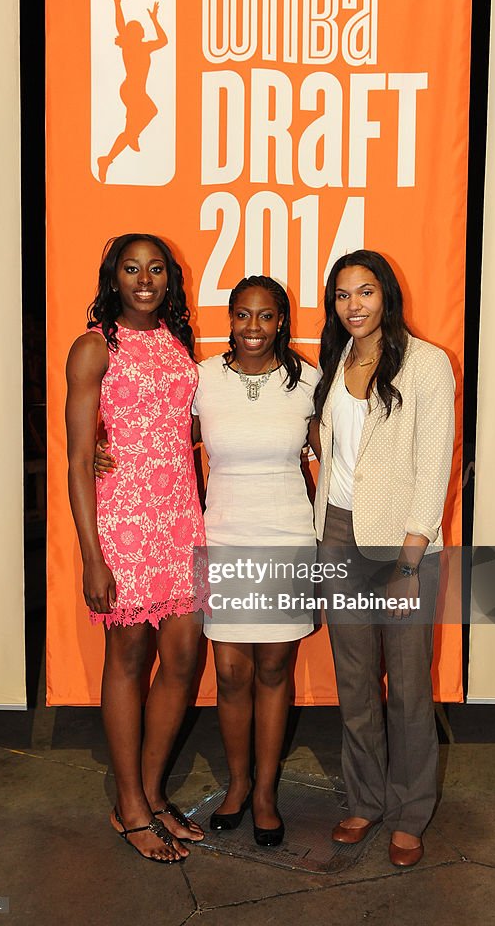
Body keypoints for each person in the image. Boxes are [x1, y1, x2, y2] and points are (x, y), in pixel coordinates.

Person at [97, 275, 317, 847]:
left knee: (274, 671)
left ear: (282, 322)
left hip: (288, 534)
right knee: (229, 674)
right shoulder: (203, 379)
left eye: (265, 316)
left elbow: (335, 450)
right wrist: (103, 442)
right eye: (242, 315)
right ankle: (238, 786)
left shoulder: (308, 382)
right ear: (229, 320)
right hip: (217, 535)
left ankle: (266, 794)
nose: (252, 327)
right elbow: (161, 429)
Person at [311, 249, 455, 867]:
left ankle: (409, 811)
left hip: (401, 543)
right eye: (342, 295)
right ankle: (366, 799)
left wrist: (410, 562)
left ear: (386, 294)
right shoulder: (334, 359)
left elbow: (434, 467)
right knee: (355, 683)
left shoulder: (426, 364)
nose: (354, 306)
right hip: (338, 535)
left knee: (409, 690)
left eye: (365, 292)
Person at [65, 233, 206, 863]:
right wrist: (92, 555)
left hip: (181, 519)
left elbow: (185, 427)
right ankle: (129, 806)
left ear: (169, 280)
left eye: (155, 269)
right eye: (132, 268)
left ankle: (149, 797)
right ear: (113, 277)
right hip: (123, 527)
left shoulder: (179, 344)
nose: (144, 279)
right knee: (127, 658)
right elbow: (74, 460)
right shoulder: (94, 347)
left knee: (181, 659)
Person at [97, 0, 168, 183]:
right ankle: (128, 139)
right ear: (132, 34)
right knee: (148, 114)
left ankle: (108, 158)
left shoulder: (144, 47)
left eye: (139, 30)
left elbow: (164, 41)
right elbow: (120, 24)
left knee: (142, 119)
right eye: (135, 30)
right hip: (131, 91)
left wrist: (155, 19)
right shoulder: (130, 46)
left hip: (137, 91)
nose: (139, 32)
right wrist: (116, 2)